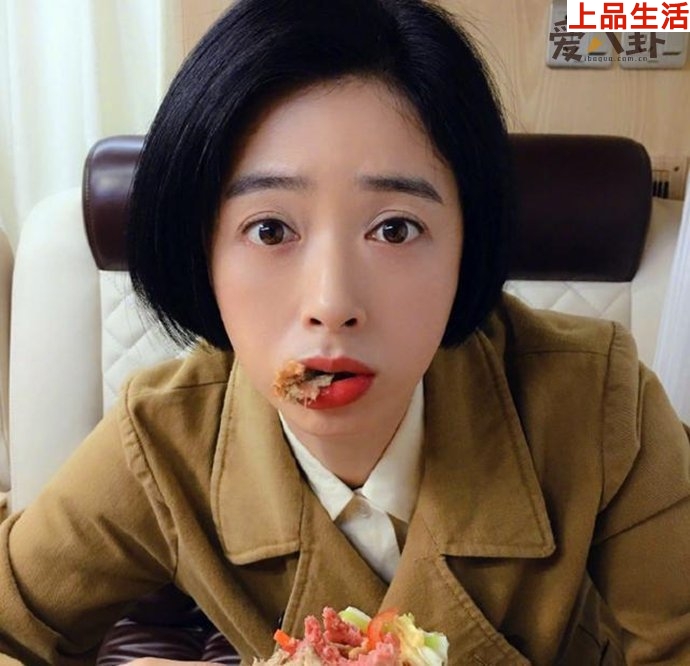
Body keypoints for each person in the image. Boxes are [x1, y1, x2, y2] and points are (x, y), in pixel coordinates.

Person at [1, 0, 690, 664]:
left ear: (467, 244)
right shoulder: (164, 439)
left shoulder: (601, 404)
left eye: (395, 229)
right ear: (201, 250)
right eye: (270, 230)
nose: (332, 305)